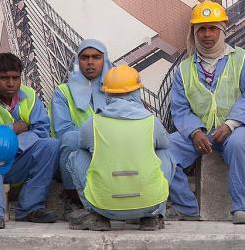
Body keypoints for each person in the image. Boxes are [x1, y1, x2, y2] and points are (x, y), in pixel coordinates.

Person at [168, 0, 245, 224]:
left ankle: (243, 208)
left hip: (238, 129)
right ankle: (187, 208)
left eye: (212, 28)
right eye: (201, 29)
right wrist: (194, 132)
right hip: (200, 133)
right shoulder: (184, 69)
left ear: (222, 30)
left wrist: (230, 124)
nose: (207, 34)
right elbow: (179, 108)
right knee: (165, 150)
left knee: (238, 144)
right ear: (194, 32)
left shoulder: (241, 58)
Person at [66, 65, 175, 231]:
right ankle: (153, 216)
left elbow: (82, 144)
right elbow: (164, 144)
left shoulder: (93, 123)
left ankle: (94, 214)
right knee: (165, 153)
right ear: (136, 91)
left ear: (106, 92)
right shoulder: (152, 121)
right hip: (148, 204)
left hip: (104, 207)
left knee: (77, 156)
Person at [0, 53, 60, 229]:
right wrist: (12, 130)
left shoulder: (30, 95)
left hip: (17, 158)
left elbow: (41, 130)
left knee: (51, 145)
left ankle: (31, 208)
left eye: (15, 78)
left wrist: (15, 145)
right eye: (4, 78)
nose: (11, 84)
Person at [50, 40, 112, 210]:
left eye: (96, 57)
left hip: (113, 148)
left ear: (104, 60)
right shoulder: (63, 91)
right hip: (81, 150)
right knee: (70, 138)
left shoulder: (117, 88)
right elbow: (63, 131)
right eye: (84, 57)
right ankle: (74, 200)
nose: (90, 62)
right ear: (78, 62)